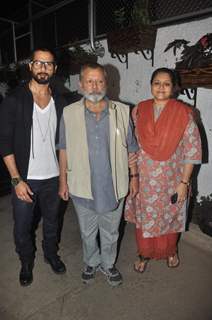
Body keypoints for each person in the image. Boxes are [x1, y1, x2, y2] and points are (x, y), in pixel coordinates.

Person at [58, 62, 138, 287]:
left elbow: (131, 147)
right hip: (81, 185)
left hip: (113, 186)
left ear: (107, 83)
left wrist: (134, 177)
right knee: (87, 231)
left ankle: (108, 264)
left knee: (111, 231)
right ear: (81, 84)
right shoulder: (69, 113)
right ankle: (91, 262)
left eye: (99, 81)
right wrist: (62, 180)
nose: (95, 86)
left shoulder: (122, 111)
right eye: (90, 81)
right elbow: (63, 148)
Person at [0, 48, 67, 286]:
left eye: (48, 64)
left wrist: (63, 180)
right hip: (25, 179)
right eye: (38, 63)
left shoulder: (60, 101)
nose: (43, 68)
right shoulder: (14, 100)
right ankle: (26, 262)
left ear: (54, 69)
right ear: (30, 66)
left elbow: (64, 143)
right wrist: (17, 180)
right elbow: (5, 144)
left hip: (53, 177)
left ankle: (51, 255)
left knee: (52, 222)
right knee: (22, 228)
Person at [125, 67, 202, 273]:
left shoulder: (184, 113)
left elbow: (192, 152)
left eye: (166, 83)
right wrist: (133, 175)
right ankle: (143, 254)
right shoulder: (139, 110)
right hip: (144, 179)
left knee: (170, 218)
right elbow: (131, 145)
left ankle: (170, 251)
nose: (161, 87)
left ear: (173, 87)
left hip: (172, 180)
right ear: (151, 85)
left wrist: (184, 183)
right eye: (157, 83)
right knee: (144, 219)